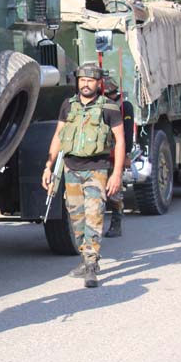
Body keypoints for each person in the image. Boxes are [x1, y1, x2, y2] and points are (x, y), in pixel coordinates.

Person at [41, 63, 124, 288]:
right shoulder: (67, 105)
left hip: (97, 169)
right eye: (82, 80)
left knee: (94, 216)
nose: (85, 84)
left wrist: (116, 174)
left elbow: (120, 140)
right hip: (70, 169)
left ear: (99, 83)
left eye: (90, 81)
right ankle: (84, 257)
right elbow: (59, 136)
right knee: (77, 219)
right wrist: (48, 166)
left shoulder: (109, 108)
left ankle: (91, 265)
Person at [102, 76, 134, 238]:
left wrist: (126, 154)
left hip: (115, 154)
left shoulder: (124, 107)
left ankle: (116, 222)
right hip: (98, 154)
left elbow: (127, 134)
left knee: (114, 192)